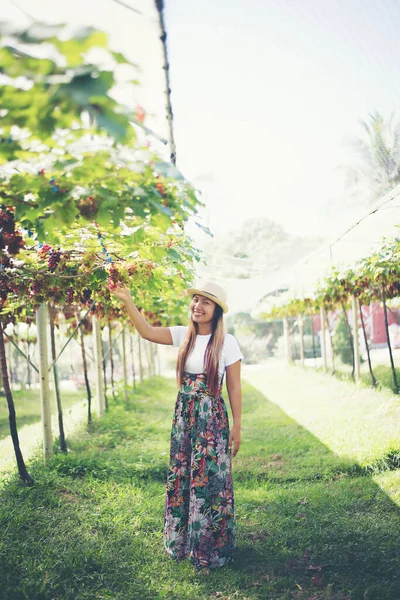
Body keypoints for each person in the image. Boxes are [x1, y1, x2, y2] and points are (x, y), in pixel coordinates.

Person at [111, 280, 244, 570]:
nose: (197, 305)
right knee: (184, 473)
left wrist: (237, 426)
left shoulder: (227, 342)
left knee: (211, 478)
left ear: (216, 311)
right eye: (195, 300)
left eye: (205, 302)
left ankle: (210, 544)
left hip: (211, 416)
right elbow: (146, 331)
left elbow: (234, 387)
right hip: (185, 415)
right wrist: (127, 300)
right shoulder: (183, 335)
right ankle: (184, 541)